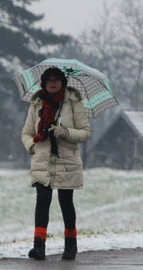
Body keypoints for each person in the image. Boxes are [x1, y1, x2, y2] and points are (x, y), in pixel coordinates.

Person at [21, 67, 92, 260]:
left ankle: (70, 245)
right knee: (42, 200)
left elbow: (85, 132)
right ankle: (39, 246)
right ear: (43, 83)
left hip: (66, 160)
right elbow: (26, 133)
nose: (53, 83)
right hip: (42, 160)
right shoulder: (36, 104)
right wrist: (32, 147)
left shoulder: (74, 103)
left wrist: (65, 132)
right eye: (49, 80)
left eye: (57, 80)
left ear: (63, 82)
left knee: (65, 202)